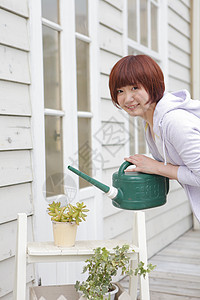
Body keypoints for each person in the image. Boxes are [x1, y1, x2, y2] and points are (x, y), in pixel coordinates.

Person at [109, 54, 200, 222]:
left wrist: (156, 167)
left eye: (135, 88)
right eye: (120, 91)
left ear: (152, 85)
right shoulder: (151, 124)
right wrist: (147, 165)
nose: (127, 98)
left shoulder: (174, 122)